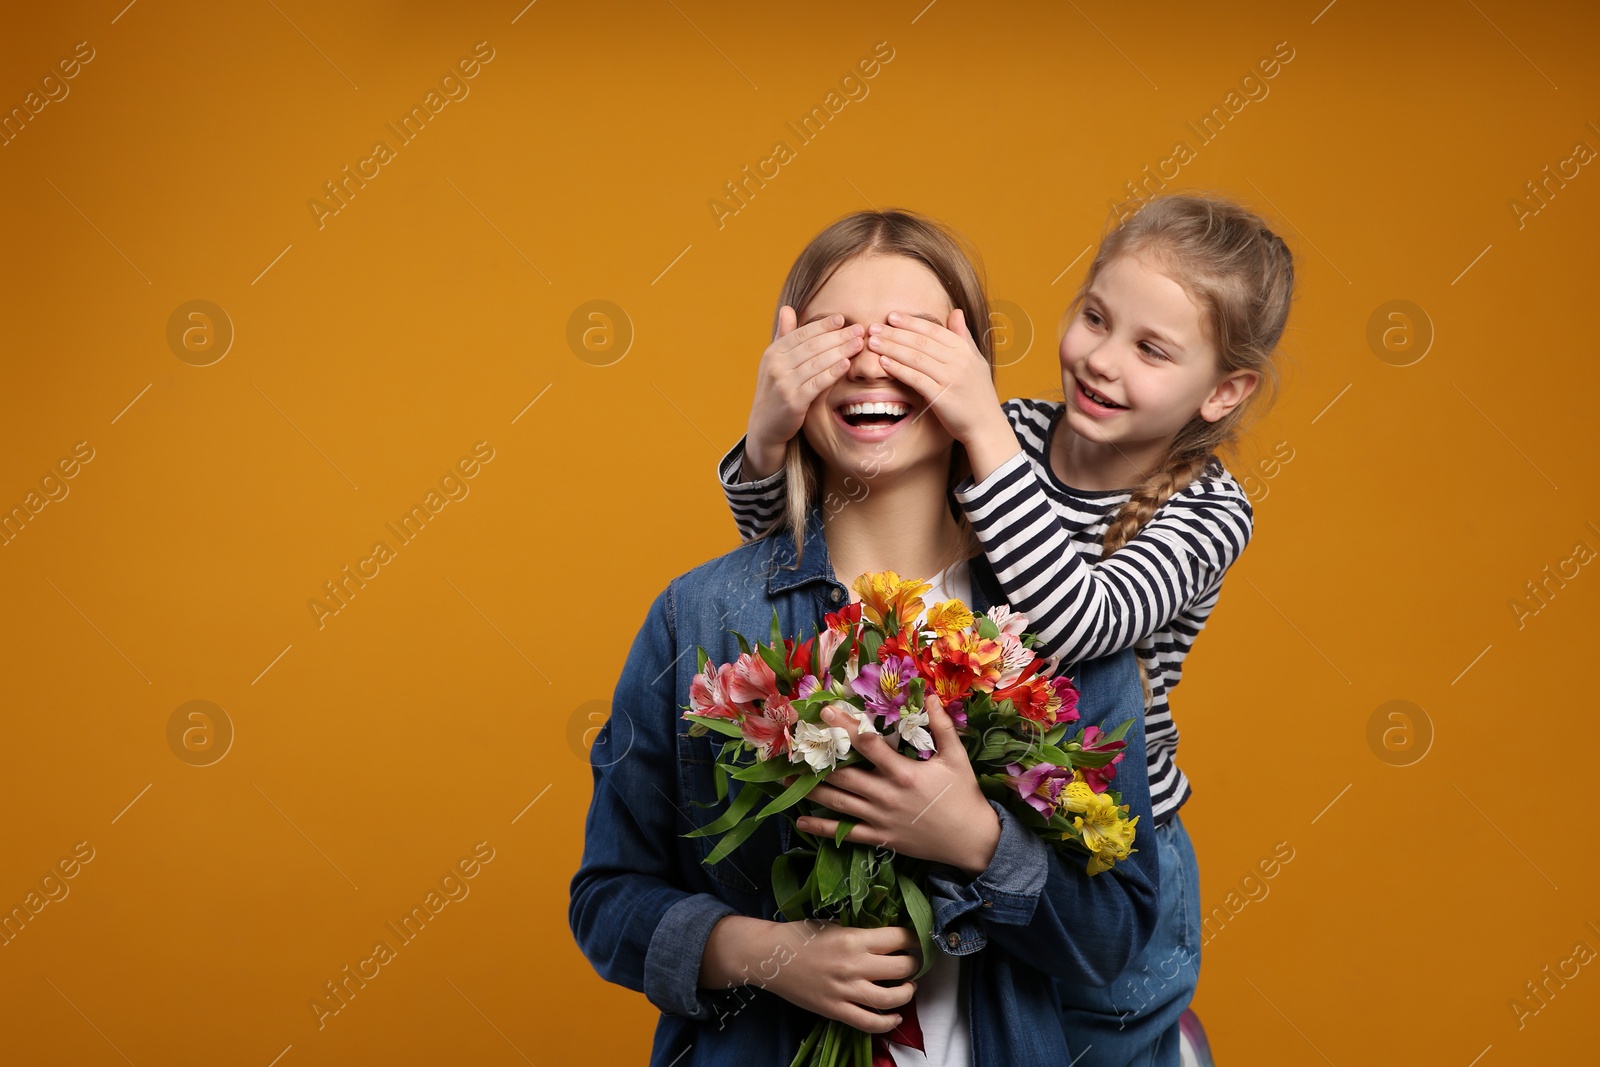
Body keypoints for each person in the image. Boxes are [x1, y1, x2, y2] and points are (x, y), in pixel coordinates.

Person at [570, 209, 1159, 1066]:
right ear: (784, 367)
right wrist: (764, 955)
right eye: (834, 333)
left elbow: (1117, 941)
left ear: (973, 368)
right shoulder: (698, 617)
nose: (870, 359)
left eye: (913, 333)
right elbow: (608, 898)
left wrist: (978, 842)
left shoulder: (1061, 620)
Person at [716, 194, 1296, 1063]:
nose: (1101, 361)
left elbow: (1076, 624)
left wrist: (982, 431)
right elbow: (806, 543)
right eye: (1094, 317)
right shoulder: (1017, 429)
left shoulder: (1206, 511)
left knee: (1097, 1032)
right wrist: (767, 444)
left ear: (1224, 391)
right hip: (972, 791)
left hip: (1102, 830)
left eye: (1151, 348)